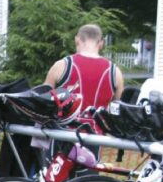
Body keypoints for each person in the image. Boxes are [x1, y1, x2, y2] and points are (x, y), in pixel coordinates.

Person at [44, 23, 124, 155]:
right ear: (101, 43)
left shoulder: (62, 65)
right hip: (93, 139)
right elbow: (117, 108)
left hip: (62, 137)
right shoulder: (115, 72)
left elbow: (43, 99)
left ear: (77, 39)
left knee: (55, 175)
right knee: (88, 176)